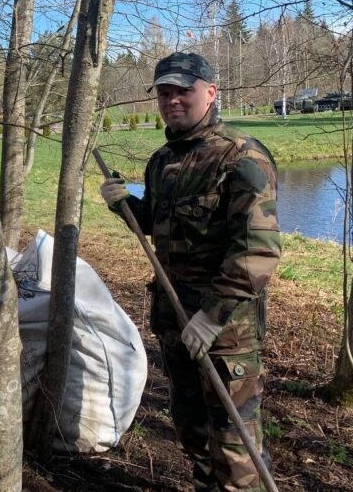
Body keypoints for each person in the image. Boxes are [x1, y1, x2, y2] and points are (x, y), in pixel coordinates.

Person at [100, 52, 280, 491]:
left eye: (183, 91)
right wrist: (124, 205)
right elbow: (159, 225)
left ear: (211, 92)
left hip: (226, 332)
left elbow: (258, 251)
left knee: (235, 448)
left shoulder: (241, 156)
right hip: (176, 321)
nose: (172, 100)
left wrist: (212, 317)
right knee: (192, 431)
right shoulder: (162, 161)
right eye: (164, 93)